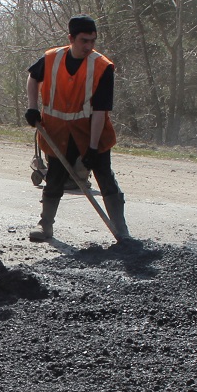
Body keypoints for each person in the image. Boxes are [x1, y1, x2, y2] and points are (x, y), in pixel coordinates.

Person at [24, 15, 130, 241]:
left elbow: (101, 111)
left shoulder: (102, 67)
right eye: (84, 41)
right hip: (57, 131)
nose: (89, 46)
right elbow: (33, 78)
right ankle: (45, 226)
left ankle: (121, 231)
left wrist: (92, 148)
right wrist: (33, 108)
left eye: (93, 41)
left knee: (104, 176)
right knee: (54, 177)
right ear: (71, 38)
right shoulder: (52, 59)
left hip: (92, 132)